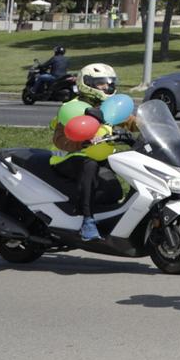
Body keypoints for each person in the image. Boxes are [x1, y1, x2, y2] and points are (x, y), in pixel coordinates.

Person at [49, 62, 126, 241]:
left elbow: (129, 121)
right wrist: (81, 144)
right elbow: (59, 139)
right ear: (88, 84)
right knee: (89, 165)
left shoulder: (107, 106)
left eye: (109, 83)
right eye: (101, 83)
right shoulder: (72, 108)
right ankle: (87, 221)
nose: (106, 87)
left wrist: (147, 125)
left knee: (115, 190)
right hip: (69, 158)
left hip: (99, 155)